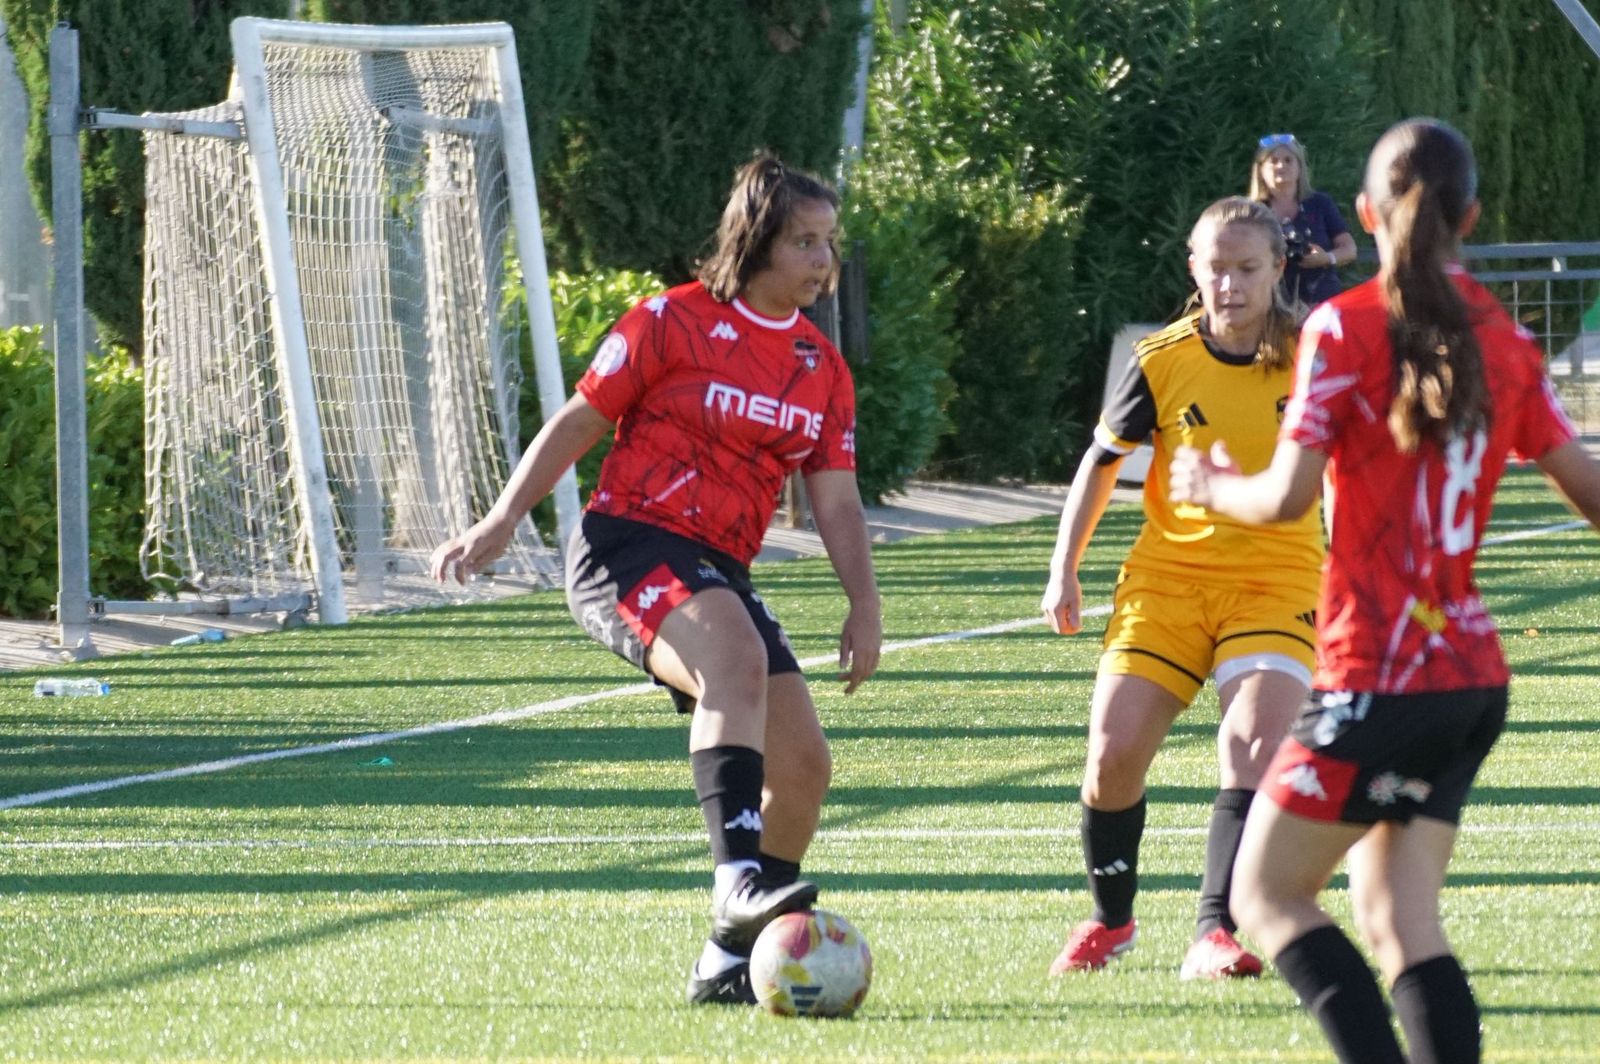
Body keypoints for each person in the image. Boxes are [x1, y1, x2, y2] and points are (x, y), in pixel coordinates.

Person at [1170, 118, 1600, 1064]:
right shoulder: (1507, 338)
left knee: (1263, 894)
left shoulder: (1342, 325)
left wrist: (1209, 485)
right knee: (1395, 918)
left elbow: (1284, 497)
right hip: (1470, 682)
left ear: (1362, 215)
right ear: (1473, 218)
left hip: (1377, 679)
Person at [430, 153, 882, 1007]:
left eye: (829, 241)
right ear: (756, 243)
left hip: (718, 566)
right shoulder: (668, 322)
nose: (824, 260)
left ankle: (726, 958)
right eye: (805, 241)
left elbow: (838, 501)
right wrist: (500, 520)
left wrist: (865, 604)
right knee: (736, 664)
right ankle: (736, 881)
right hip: (626, 547)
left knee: (805, 765)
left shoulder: (821, 370)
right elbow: (577, 422)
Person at [1040, 196, 1324, 981]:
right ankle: (1111, 921)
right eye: (1215, 267)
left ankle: (1214, 932)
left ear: (1277, 270)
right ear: (1192, 269)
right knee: (1111, 757)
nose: (1230, 284)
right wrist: (1065, 566)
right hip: (1167, 582)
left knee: (1252, 747)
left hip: (1278, 580)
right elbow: (1102, 461)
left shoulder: (1312, 356)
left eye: (1248, 268)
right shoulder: (1163, 358)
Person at [1251, 133, 1357, 314]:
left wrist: (1326, 258)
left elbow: (1349, 249)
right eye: (1273, 161)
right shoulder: (1253, 212)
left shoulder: (1319, 203)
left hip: (1324, 305)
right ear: (1260, 170)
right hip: (1273, 308)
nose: (1281, 166)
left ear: (1300, 167)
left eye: (1288, 160)